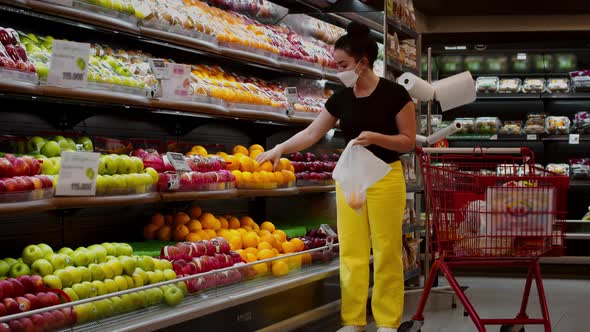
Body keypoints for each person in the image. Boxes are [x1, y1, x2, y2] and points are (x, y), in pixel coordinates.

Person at [256, 22, 416, 332]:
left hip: (385, 177)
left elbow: (408, 140)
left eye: (342, 64)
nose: (338, 70)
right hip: (352, 179)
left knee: (386, 251)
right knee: (352, 250)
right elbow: (313, 132)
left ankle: (387, 321)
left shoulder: (395, 94)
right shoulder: (341, 98)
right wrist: (280, 148)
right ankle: (353, 320)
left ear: (363, 62)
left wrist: (376, 137)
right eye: (336, 64)